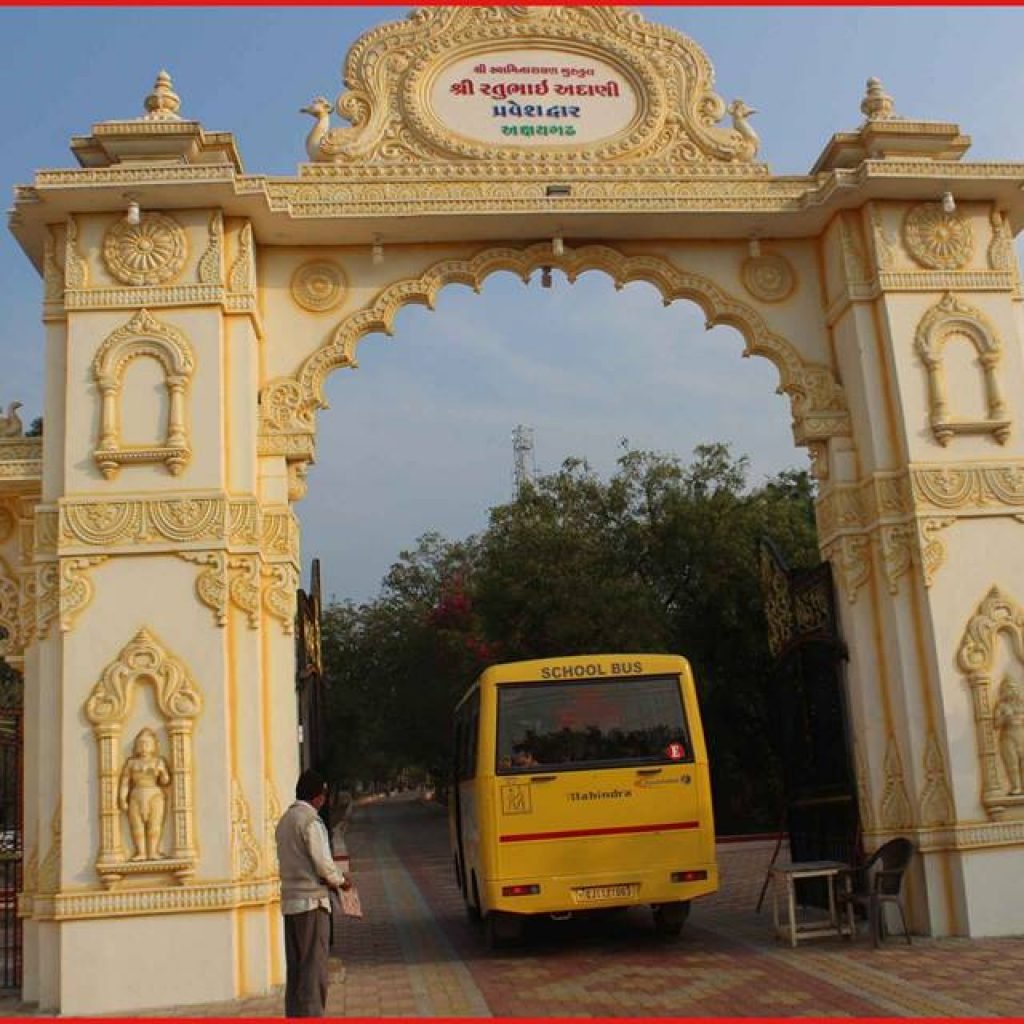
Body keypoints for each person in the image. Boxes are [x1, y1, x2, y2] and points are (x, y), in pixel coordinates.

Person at [275, 769, 352, 1017]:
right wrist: (342, 882)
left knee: (296, 969)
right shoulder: (310, 821)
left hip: (290, 902)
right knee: (313, 968)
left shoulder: (285, 820)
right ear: (317, 796)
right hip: (311, 902)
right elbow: (323, 864)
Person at [118, 727, 171, 861]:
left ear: (153, 746)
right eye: (140, 744)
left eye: (147, 744)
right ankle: (141, 852)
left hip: (155, 795)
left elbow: (165, 781)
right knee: (137, 825)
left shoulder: (158, 762)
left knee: (155, 824)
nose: (143, 747)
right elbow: (125, 782)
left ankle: (153, 851)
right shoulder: (132, 763)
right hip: (136, 795)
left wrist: (163, 772)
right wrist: (122, 798)